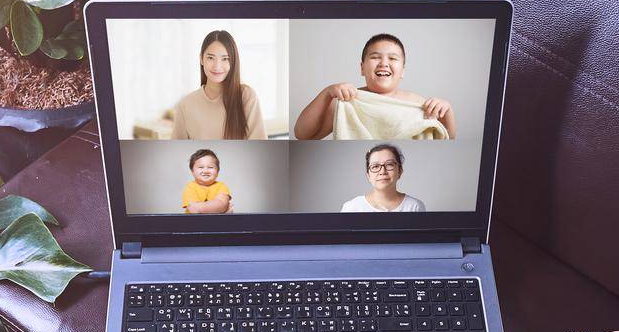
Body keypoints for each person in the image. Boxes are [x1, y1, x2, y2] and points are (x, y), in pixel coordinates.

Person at [294, 33, 457, 140]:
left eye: (393, 59)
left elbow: (447, 140)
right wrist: (326, 94)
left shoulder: (417, 103)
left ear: (402, 71)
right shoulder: (348, 101)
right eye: (375, 57)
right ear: (362, 68)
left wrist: (447, 111)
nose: (384, 63)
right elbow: (303, 135)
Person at [169, 30, 266, 141]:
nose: (217, 66)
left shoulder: (246, 96)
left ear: (233, 61)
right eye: (210, 58)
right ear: (201, 59)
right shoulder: (185, 105)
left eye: (225, 59)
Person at [342, 143, 426, 213]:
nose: (382, 171)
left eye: (389, 164)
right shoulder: (351, 208)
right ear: (368, 176)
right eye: (375, 166)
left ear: (400, 171)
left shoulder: (415, 207)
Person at [180, 148, 231, 214]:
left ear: (218, 171)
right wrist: (220, 210)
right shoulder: (190, 187)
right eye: (201, 167)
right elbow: (192, 209)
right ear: (192, 171)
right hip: (193, 222)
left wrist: (198, 208)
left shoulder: (221, 186)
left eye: (210, 167)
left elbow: (222, 204)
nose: (206, 171)